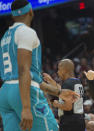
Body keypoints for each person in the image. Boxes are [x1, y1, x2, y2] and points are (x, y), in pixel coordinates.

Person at [0, 1, 79, 131]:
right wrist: (26, 108)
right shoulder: (27, 32)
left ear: (13, 16)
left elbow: (28, 77)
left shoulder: (4, 38)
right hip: (22, 93)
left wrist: (59, 92)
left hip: (5, 93)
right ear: (31, 11)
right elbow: (23, 71)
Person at [43, 59, 85, 131]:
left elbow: (68, 107)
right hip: (79, 120)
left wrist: (56, 104)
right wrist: (51, 81)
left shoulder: (67, 83)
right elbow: (63, 92)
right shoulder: (77, 81)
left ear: (64, 70)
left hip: (69, 122)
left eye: (59, 69)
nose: (57, 72)